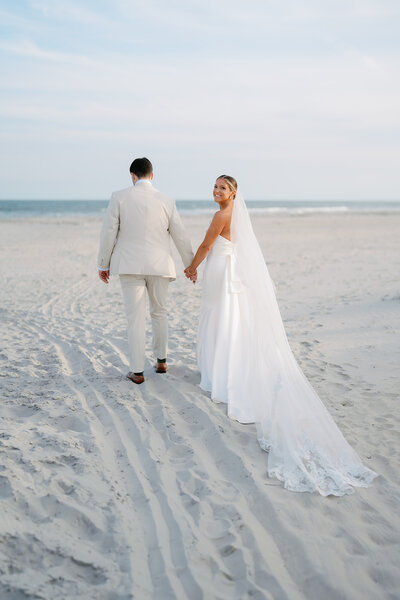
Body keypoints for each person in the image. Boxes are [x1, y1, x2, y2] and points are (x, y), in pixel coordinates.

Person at [184, 175, 378, 496]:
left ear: (233, 193)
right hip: (226, 268)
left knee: (219, 317)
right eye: (215, 186)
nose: (217, 191)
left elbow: (206, 245)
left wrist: (192, 267)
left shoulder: (221, 215)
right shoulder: (235, 214)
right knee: (224, 318)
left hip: (220, 268)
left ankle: (219, 374)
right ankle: (221, 368)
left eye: (223, 188)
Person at [98, 157, 193, 384]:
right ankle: (161, 360)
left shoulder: (119, 197)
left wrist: (103, 264)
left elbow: (109, 232)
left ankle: (137, 371)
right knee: (160, 312)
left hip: (130, 265)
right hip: (160, 266)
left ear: (132, 176)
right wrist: (190, 265)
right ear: (152, 175)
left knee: (136, 318)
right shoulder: (167, 200)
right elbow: (180, 234)